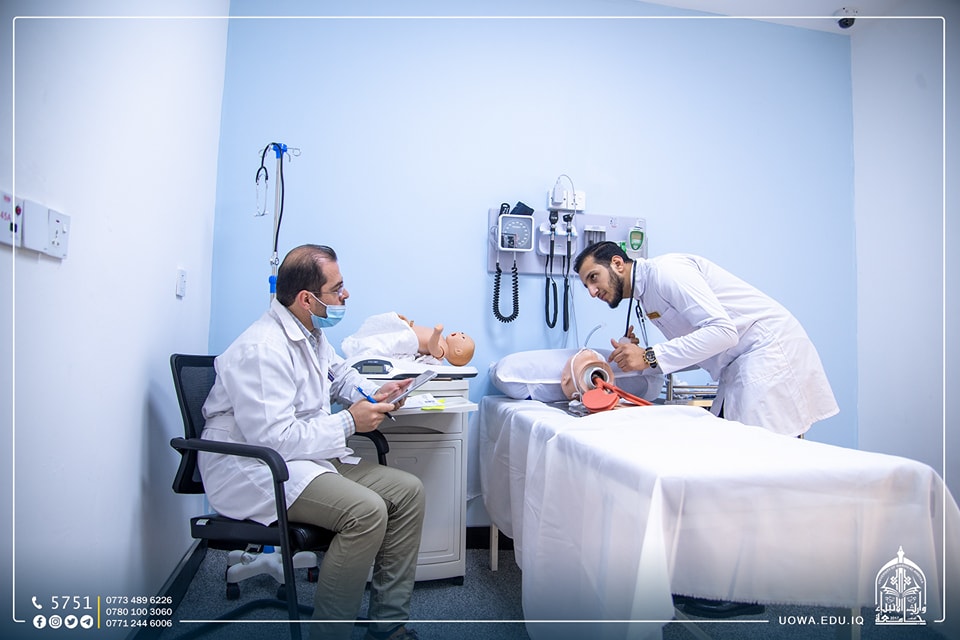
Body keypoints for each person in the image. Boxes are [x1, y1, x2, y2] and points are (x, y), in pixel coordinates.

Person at [199, 244, 425, 640]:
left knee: (409, 492)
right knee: (366, 511)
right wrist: (350, 422)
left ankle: (387, 625)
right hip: (254, 468)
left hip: (302, 455)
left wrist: (375, 392)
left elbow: (339, 376)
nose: (346, 295)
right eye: (337, 289)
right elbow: (275, 440)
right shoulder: (262, 349)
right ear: (306, 299)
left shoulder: (311, 334)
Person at [574, 241, 838, 438]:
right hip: (739, 365)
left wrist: (649, 357)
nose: (592, 292)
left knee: (768, 464)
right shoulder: (648, 296)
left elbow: (723, 332)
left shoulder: (667, 272)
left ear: (618, 264)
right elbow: (701, 347)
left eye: (593, 277)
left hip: (768, 354)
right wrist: (645, 358)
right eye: (586, 286)